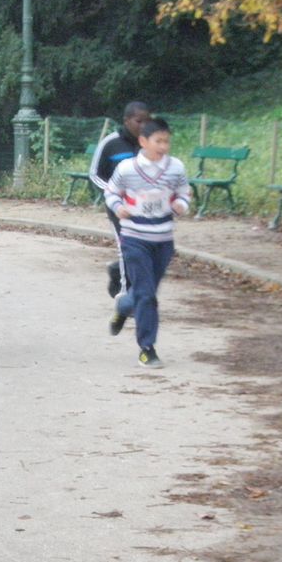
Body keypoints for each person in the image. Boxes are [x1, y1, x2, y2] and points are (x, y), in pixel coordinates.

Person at [103, 117, 190, 369]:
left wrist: (180, 205)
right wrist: (119, 207)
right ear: (143, 141)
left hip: (163, 240)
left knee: (145, 292)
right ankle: (147, 348)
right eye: (158, 141)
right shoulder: (128, 169)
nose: (163, 146)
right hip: (134, 238)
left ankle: (124, 304)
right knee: (147, 295)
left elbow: (185, 192)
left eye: (166, 141)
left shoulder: (175, 168)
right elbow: (111, 191)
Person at [89, 101, 150, 334]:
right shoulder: (111, 143)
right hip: (119, 207)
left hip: (146, 207)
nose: (143, 125)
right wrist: (114, 193)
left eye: (147, 120)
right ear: (127, 121)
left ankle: (116, 271)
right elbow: (94, 174)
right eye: (139, 121)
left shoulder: (149, 144)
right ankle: (125, 298)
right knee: (127, 248)